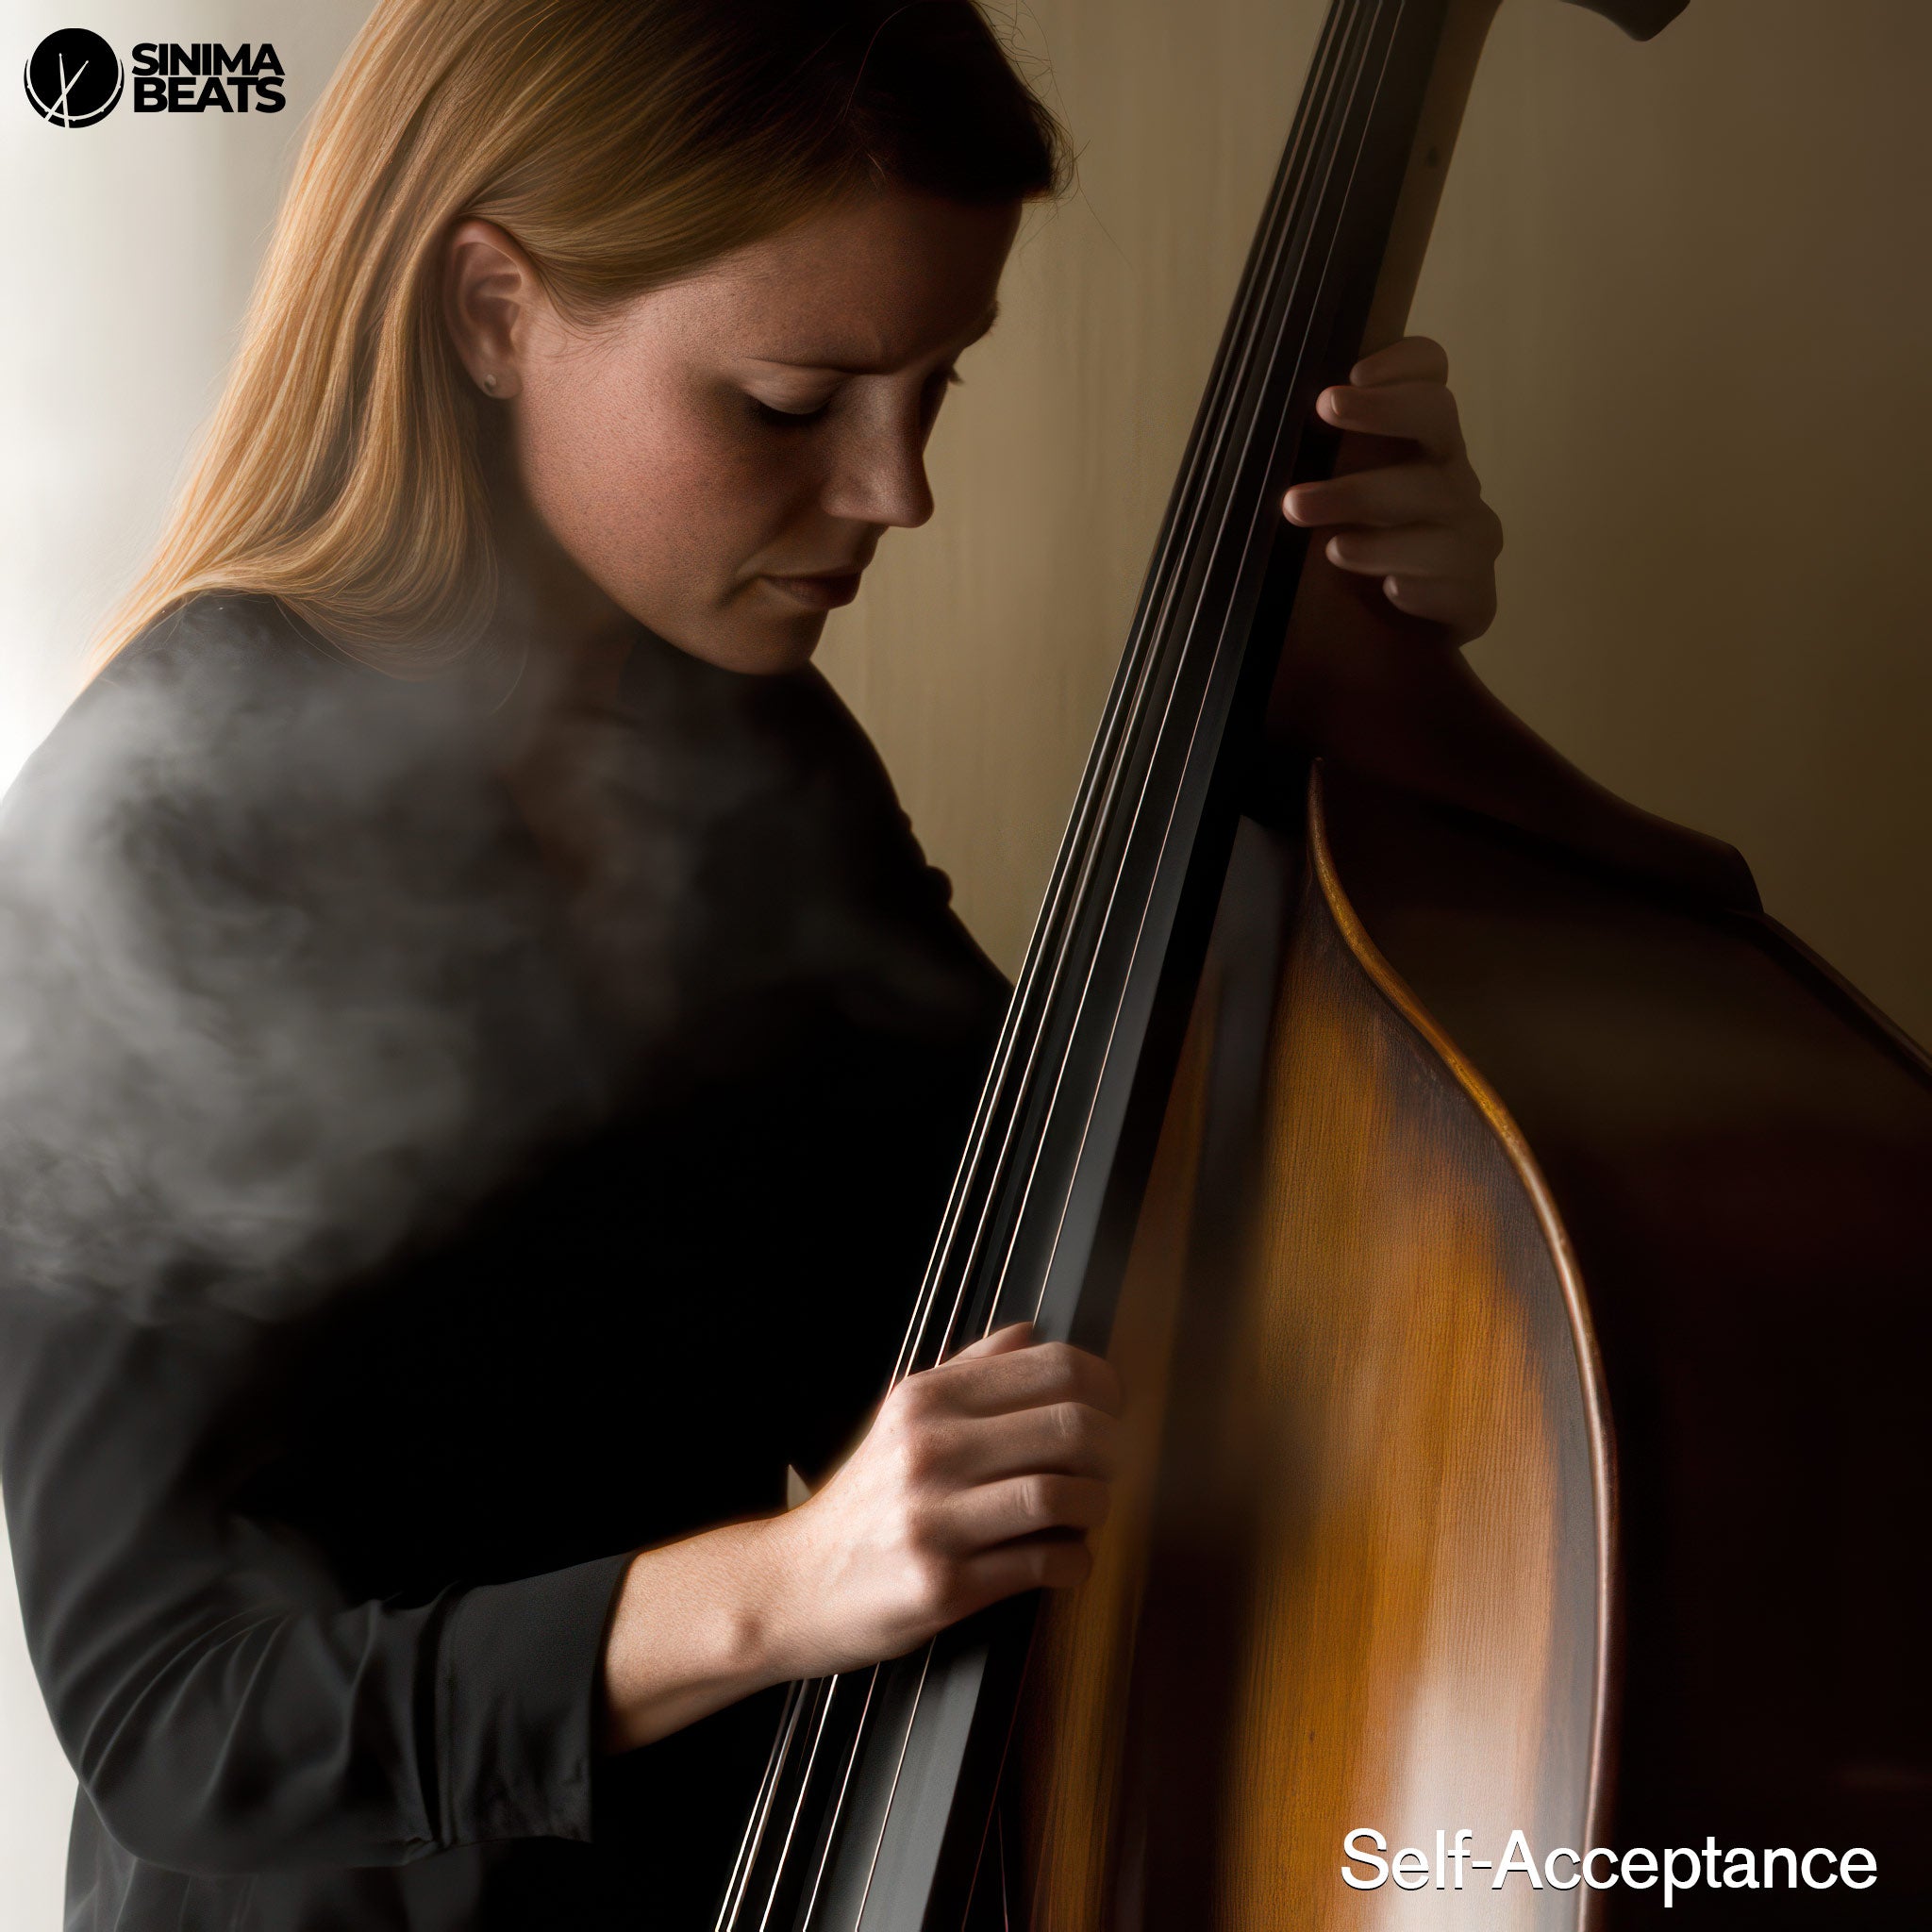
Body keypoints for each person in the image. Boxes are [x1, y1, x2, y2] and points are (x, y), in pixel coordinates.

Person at [0, 3, 1505, 1926]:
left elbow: (1075, 1265)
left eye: (933, 388)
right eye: (793, 403)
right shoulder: (158, 835)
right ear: (489, 312)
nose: (895, 491)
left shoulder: (738, 738)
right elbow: (175, 1716)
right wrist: (784, 1587)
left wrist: (1362, 680)